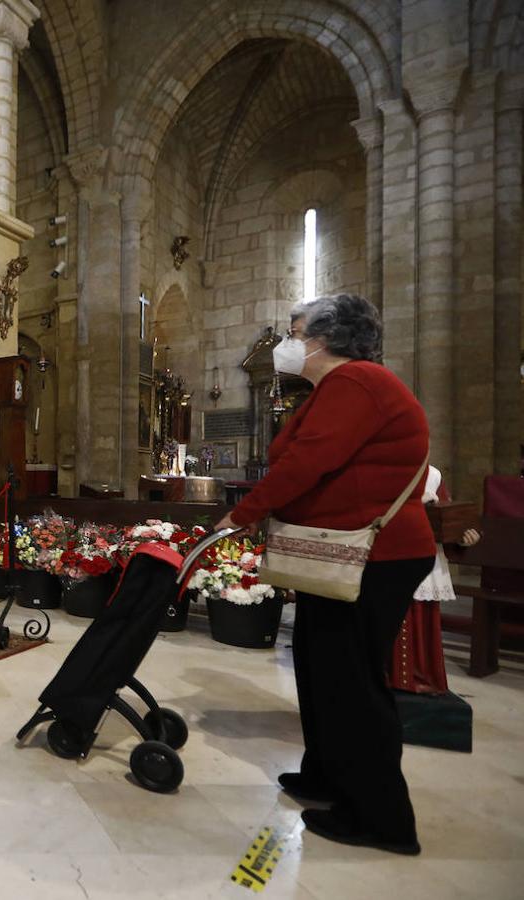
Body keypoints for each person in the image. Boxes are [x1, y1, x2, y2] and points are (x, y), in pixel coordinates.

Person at [216, 293, 434, 855]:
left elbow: (309, 459)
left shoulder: (357, 383)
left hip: (372, 555)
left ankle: (381, 817)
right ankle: (326, 777)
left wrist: (243, 513)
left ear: (326, 337)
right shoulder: (334, 388)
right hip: (337, 554)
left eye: (295, 332)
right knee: (318, 668)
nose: (288, 343)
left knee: (352, 682)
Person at [391, 465, 480, 694]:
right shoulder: (384, 468)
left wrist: (462, 539)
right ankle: (395, 682)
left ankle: (424, 679)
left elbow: (447, 521)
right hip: (394, 557)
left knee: (424, 621)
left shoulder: (434, 475)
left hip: (428, 561)